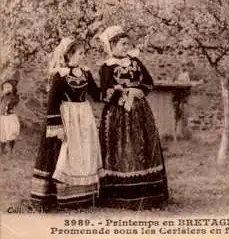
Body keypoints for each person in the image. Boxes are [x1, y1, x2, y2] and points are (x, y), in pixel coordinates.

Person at [98, 25, 169, 210]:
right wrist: (122, 96)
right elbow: (104, 93)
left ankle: (149, 195)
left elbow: (149, 82)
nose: (125, 47)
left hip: (140, 111)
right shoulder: (107, 67)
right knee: (121, 148)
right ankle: (120, 195)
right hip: (117, 114)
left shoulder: (135, 62)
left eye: (127, 44)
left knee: (142, 146)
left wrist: (139, 90)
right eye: (122, 44)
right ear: (112, 45)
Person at [31, 37, 104, 211]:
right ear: (69, 54)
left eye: (84, 53)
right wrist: (57, 128)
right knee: (64, 153)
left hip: (84, 117)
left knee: (84, 152)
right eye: (80, 53)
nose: (83, 56)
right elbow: (52, 104)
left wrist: (112, 90)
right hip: (67, 117)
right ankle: (58, 196)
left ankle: (83, 196)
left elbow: (96, 94)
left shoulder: (86, 73)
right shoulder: (60, 75)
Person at [0, 79, 20, 154]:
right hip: (2, 118)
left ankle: (11, 149)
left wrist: (10, 95)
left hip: (10, 118)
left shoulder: (15, 96)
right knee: (2, 134)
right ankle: (2, 150)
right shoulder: (2, 97)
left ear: (13, 88)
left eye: (9, 87)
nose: (7, 89)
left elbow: (15, 102)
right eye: (5, 87)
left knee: (11, 133)